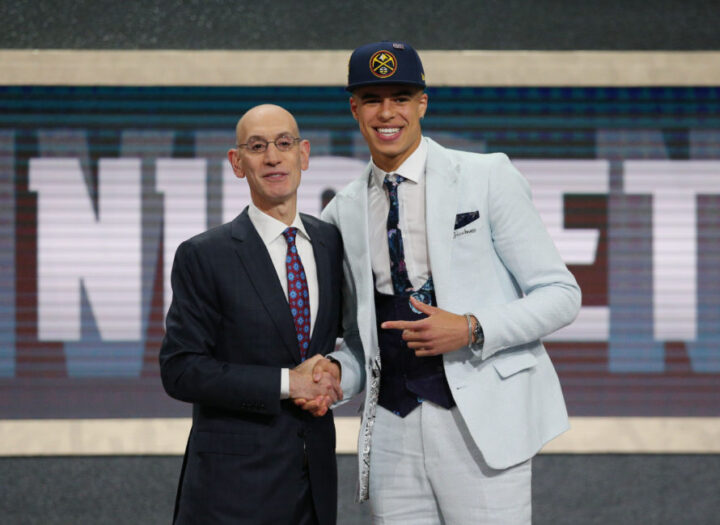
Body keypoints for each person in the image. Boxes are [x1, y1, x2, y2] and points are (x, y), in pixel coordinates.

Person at [300, 41, 582, 524]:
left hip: (481, 423)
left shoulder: (486, 176)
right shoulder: (340, 211)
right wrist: (333, 377)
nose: (387, 112)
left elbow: (560, 295)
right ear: (354, 108)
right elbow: (357, 339)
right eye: (372, 99)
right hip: (391, 431)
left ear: (422, 103)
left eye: (401, 97)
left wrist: (471, 326)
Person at [159, 104, 343, 525]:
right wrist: (287, 383)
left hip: (314, 487)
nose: (273, 157)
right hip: (232, 492)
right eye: (257, 147)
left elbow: (349, 339)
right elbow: (181, 369)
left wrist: (333, 372)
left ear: (305, 155)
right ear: (237, 163)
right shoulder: (204, 255)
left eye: (284, 143)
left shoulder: (332, 243)